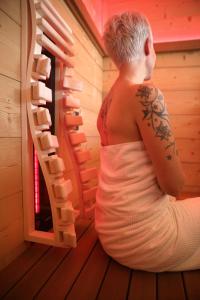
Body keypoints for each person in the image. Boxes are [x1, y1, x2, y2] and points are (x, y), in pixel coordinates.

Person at [94, 11, 200, 272]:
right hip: (146, 240)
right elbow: (175, 185)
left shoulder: (105, 106)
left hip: (111, 234)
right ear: (147, 45)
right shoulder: (145, 94)